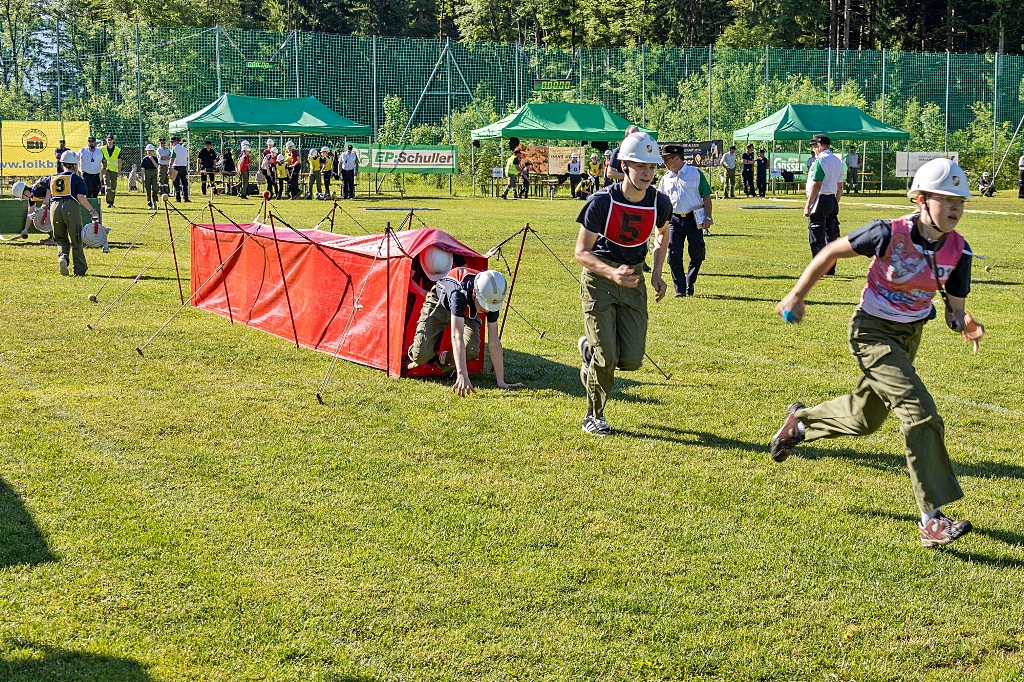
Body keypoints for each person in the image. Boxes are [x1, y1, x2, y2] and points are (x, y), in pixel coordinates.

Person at [771, 158, 983, 549]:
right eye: (947, 199)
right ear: (921, 199)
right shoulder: (887, 232)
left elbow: (954, 309)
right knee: (920, 413)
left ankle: (799, 425)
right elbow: (830, 251)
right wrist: (797, 295)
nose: (955, 208)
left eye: (960, 201)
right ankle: (932, 519)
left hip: (909, 338)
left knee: (864, 418)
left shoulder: (959, 250)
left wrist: (965, 322)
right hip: (871, 332)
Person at [575, 132, 671, 436]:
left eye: (651, 166)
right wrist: (611, 273)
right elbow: (581, 252)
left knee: (631, 360)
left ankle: (590, 351)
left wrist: (656, 272)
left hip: (633, 280)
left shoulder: (660, 202)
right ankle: (594, 416)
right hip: (599, 281)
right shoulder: (601, 202)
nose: (647, 173)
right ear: (624, 165)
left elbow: (663, 233)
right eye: (640, 165)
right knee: (607, 357)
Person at [407, 258, 522, 396]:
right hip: (440, 303)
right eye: (484, 306)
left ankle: (443, 360)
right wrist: (462, 375)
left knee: (471, 349)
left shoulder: (491, 297)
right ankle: (414, 355)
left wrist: (501, 382)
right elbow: (457, 336)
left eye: (490, 307)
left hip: (468, 310)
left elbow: (494, 342)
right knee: (421, 355)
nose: (487, 310)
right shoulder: (458, 292)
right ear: (475, 293)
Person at [658, 143, 713, 298]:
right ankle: (680, 289)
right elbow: (660, 200)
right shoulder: (665, 178)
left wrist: (708, 217)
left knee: (697, 254)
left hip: (693, 219)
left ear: (677, 158)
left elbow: (706, 196)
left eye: (666, 159)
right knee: (673, 255)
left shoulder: (695, 173)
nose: (664, 163)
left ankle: (690, 281)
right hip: (674, 220)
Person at [47, 150, 100, 276]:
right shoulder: (76, 179)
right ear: (75, 165)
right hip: (70, 207)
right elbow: (80, 197)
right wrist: (92, 211)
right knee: (76, 238)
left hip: (54, 207)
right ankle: (79, 269)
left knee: (60, 238)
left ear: (62, 164)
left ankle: (63, 257)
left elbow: (40, 184)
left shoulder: (52, 177)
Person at [804, 134, 844, 275]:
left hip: (820, 200)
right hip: (832, 199)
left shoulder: (820, 161)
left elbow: (817, 184)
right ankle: (830, 268)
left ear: (820, 146)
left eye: (814, 146)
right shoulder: (837, 161)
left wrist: (808, 204)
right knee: (831, 236)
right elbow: (840, 186)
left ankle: (819, 269)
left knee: (817, 236)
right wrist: (835, 203)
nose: (814, 149)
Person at [100, 135, 121, 208]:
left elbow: (119, 160)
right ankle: (108, 202)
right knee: (107, 185)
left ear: (113, 140)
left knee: (113, 187)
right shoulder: (102, 149)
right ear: (106, 140)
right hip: (106, 170)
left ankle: (112, 202)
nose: (109, 141)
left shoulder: (117, 149)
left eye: (111, 139)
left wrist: (119, 169)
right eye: (108, 139)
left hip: (114, 170)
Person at [169, 135, 190, 202]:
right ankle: (186, 198)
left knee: (176, 183)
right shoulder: (184, 149)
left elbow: (172, 159)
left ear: (176, 142)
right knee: (184, 183)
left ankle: (178, 198)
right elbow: (187, 158)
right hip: (183, 166)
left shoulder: (174, 149)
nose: (171, 144)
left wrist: (169, 167)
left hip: (176, 166)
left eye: (172, 142)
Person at [140, 144, 159, 209]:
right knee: (148, 190)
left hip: (154, 173)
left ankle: (154, 201)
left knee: (155, 188)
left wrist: (152, 159)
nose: (149, 152)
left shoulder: (155, 158)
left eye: (151, 150)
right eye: (148, 150)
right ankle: (149, 204)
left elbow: (157, 166)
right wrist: (143, 178)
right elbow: (142, 169)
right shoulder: (144, 159)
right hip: (147, 173)